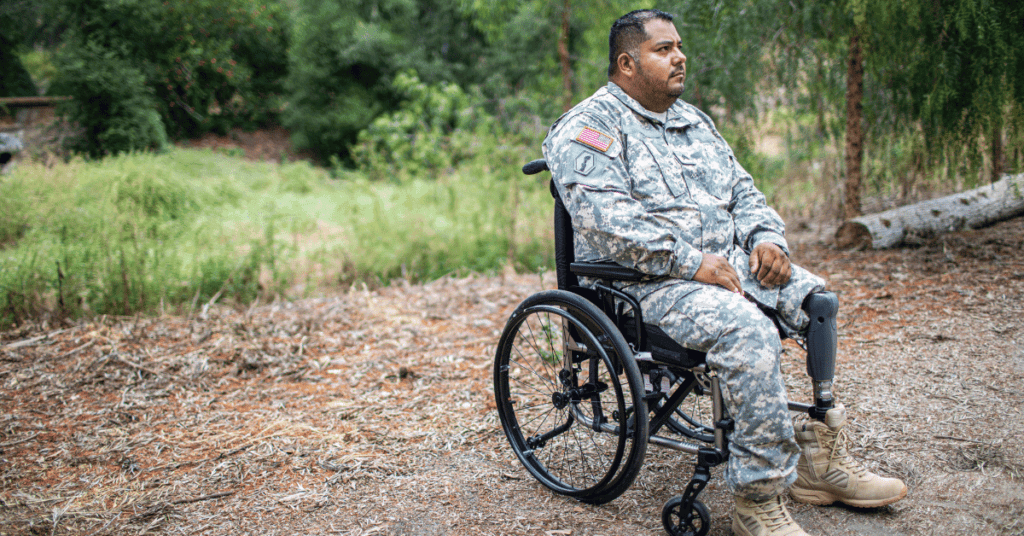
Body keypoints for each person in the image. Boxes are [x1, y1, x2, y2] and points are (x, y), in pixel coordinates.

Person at [542, 9, 906, 536]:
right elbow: (611, 226)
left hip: (724, 268)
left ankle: (821, 462)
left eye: (679, 46)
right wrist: (691, 262)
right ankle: (758, 499)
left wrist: (766, 237)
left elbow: (742, 191)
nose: (679, 56)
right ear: (626, 63)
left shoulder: (692, 121)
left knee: (816, 301)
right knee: (746, 329)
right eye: (663, 49)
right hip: (645, 285)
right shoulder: (588, 129)